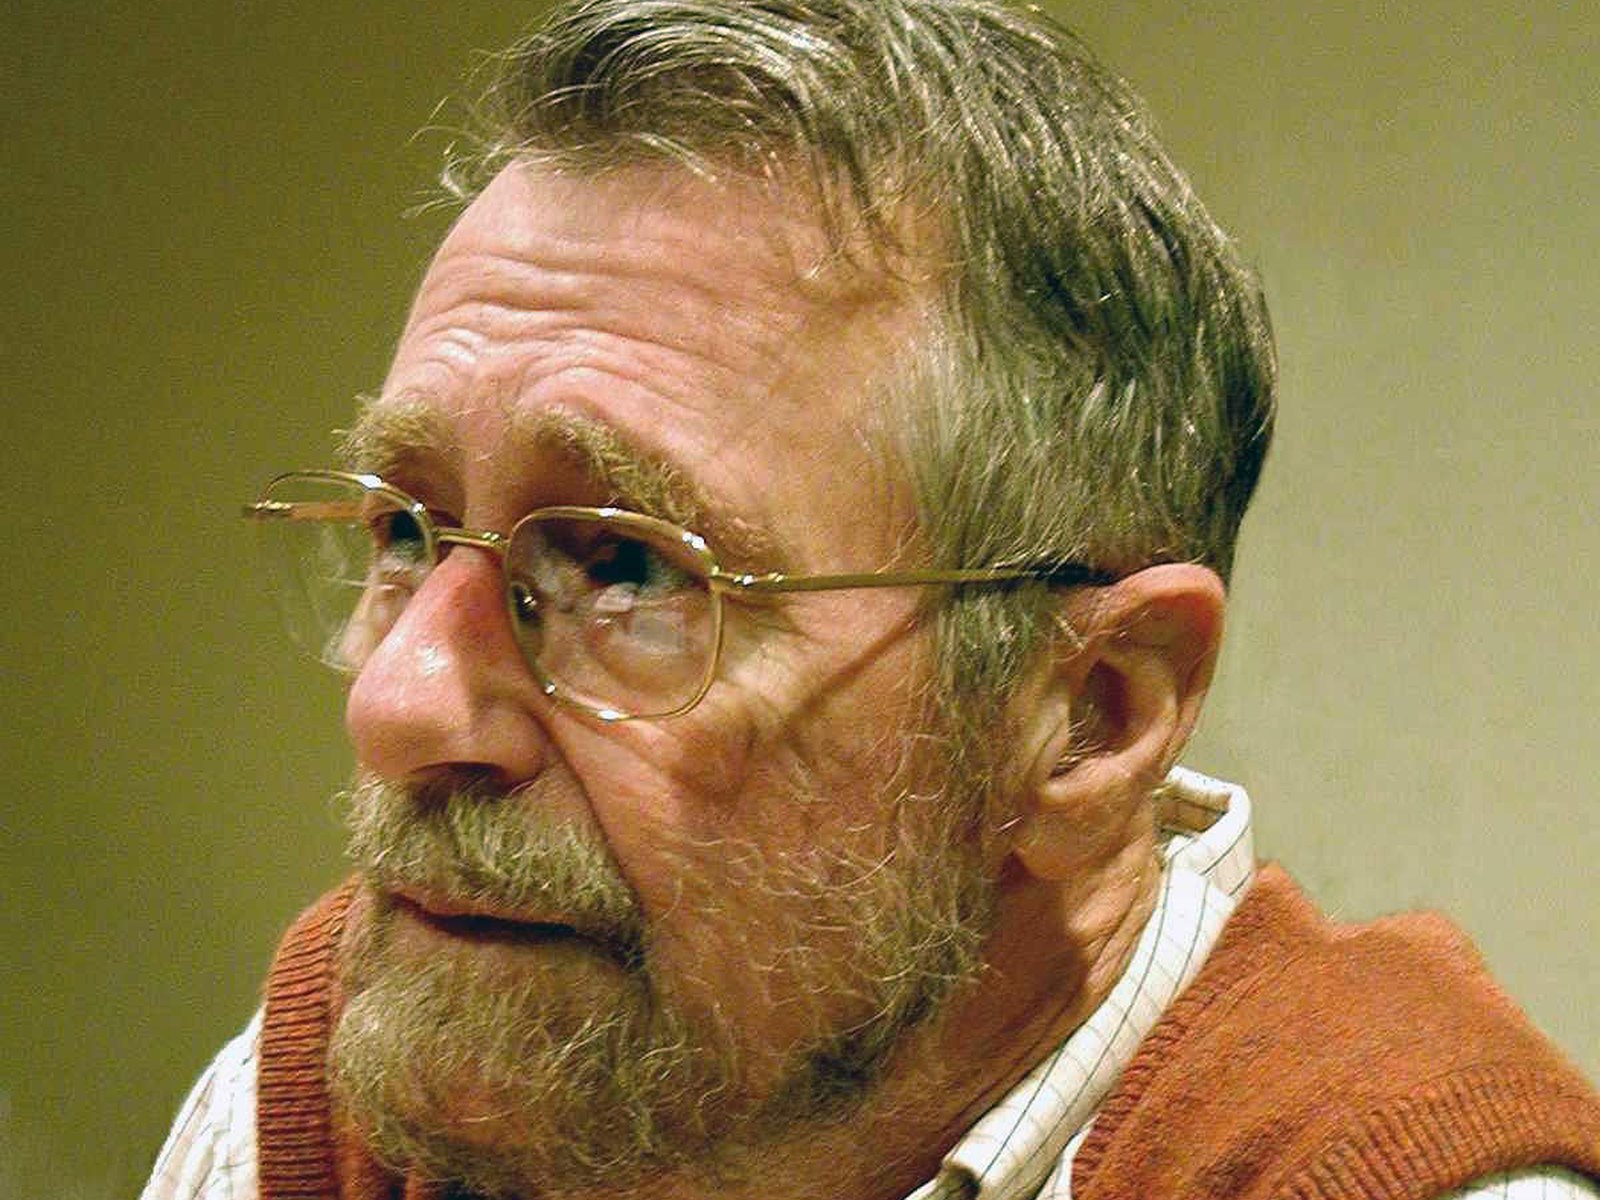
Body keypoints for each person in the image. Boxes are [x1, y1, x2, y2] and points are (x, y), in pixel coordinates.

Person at [143, 1, 1600, 1197]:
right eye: (409, 526)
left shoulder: (1353, 1170)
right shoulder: (333, 1103)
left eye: (626, 567)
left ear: (1086, 718)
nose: (396, 702)